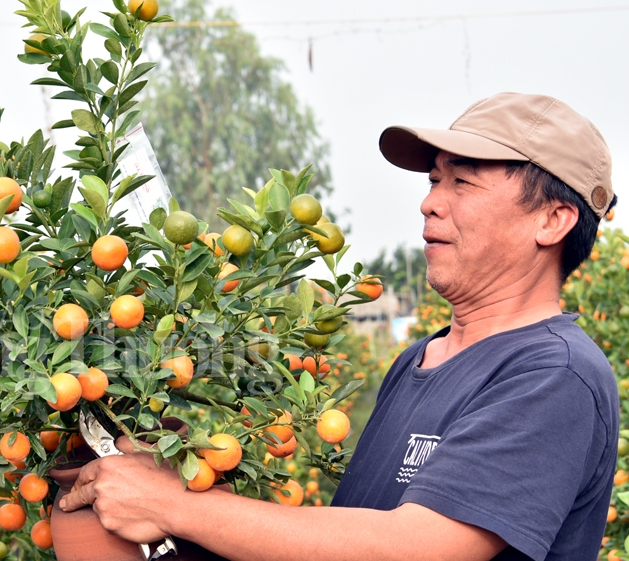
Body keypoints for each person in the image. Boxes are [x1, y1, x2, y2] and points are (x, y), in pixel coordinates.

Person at [59, 92, 619, 561]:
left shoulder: (554, 374)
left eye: (462, 184)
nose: (429, 204)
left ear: (552, 219)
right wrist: (184, 477)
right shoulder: (424, 358)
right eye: (433, 181)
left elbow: (418, 547)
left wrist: (177, 506)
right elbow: (356, 533)